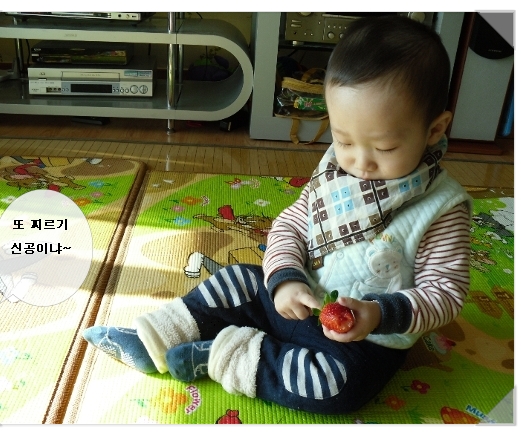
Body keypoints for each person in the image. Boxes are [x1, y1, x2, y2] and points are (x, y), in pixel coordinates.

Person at [83, 15, 472, 415]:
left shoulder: (442, 209)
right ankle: (155, 337)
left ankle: (225, 356)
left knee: (342, 387)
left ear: (434, 129)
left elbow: (444, 293)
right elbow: (291, 225)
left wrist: (378, 313)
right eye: (343, 140)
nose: (360, 162)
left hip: (360, 341)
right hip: (292, 300)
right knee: (237, 279)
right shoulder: (336, 173)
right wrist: (285, 279)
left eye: (385, 148)